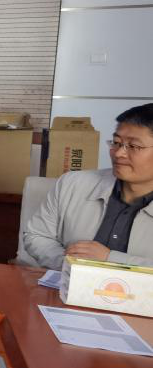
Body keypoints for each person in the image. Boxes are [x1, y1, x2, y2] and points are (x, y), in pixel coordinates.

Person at [24, 103, 153, 268]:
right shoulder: (72, 184)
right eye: (116, 142)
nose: (119, 153)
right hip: (68, 282)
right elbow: (36, 236)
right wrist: (71, 265)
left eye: (133, 146)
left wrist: (109, 259)